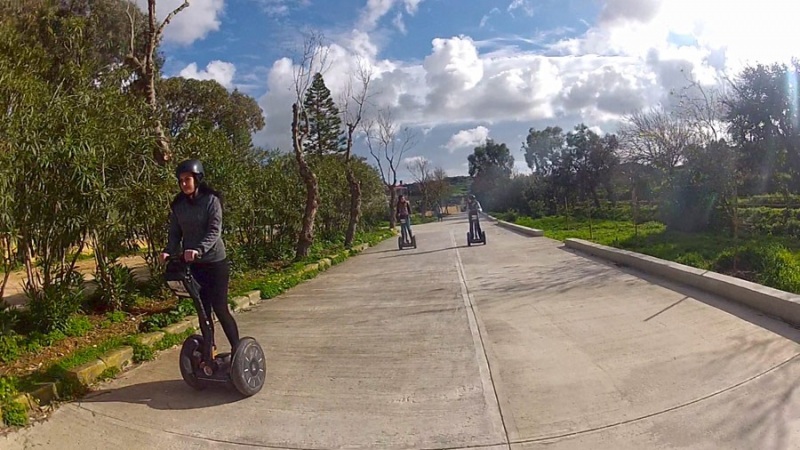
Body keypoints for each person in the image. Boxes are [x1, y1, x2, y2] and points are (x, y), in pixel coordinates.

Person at [160, 159, 240, 354]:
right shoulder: (178, 205)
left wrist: (199, 249)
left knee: (220, 308)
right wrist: (168, 250)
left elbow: (214, 230)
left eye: (187, 179)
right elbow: (175, 233)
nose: (184, 184)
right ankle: (209, 349)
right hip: (194, 266)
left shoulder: (211, 200)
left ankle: (237, 349)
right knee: (202, 310)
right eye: (181, 180)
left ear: (197, 179)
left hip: (215, 263)